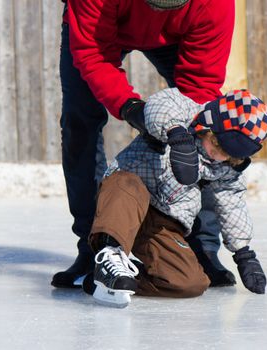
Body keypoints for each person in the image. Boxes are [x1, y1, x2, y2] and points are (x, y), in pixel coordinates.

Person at [52, 0, 238, 289]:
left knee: (203, 124)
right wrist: (130, 108)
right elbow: (92, 52)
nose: (158, 11)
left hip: (178, 34)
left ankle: (203, 246)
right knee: (79, 124)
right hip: (102, 24)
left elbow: (200, 86)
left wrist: (176, 125)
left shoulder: (215, 4)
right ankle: (93, 247)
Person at [84, 88, 267, 307]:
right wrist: (177, 136)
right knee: (125, 182)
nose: (220, 156)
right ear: (209, 125)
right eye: (218, 144)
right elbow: (160, 104)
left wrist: (243, 253)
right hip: (127, 198)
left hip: (163, 223)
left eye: (230, 155)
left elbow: (232, 205)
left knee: (190, 282)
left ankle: (115, 280)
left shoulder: (226, 168)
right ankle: (110, 255)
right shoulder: (186, 112)